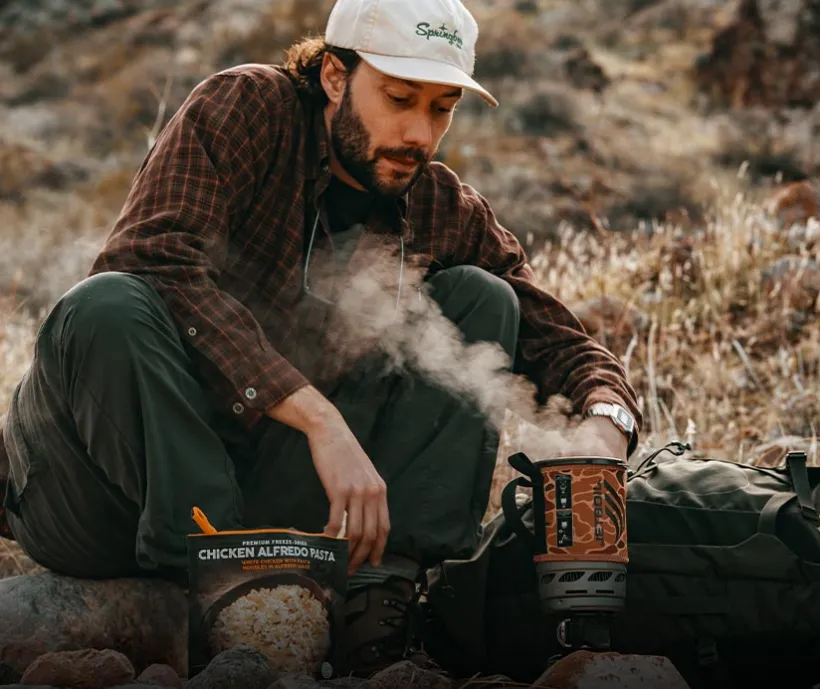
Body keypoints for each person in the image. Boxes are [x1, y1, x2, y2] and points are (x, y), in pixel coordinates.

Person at [0, 0, 642, 676]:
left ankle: (381, 600)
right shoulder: (246, 110)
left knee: (482, 299)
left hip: (269, 500)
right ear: (335, 75)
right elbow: (151, 255)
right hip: (100, 490)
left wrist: (603, 420)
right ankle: (221, 593)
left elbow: (557, 337)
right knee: (108, 303)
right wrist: (316, 414)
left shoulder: (437, 204)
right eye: (399, 98)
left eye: (441, 107)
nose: (419, 133)